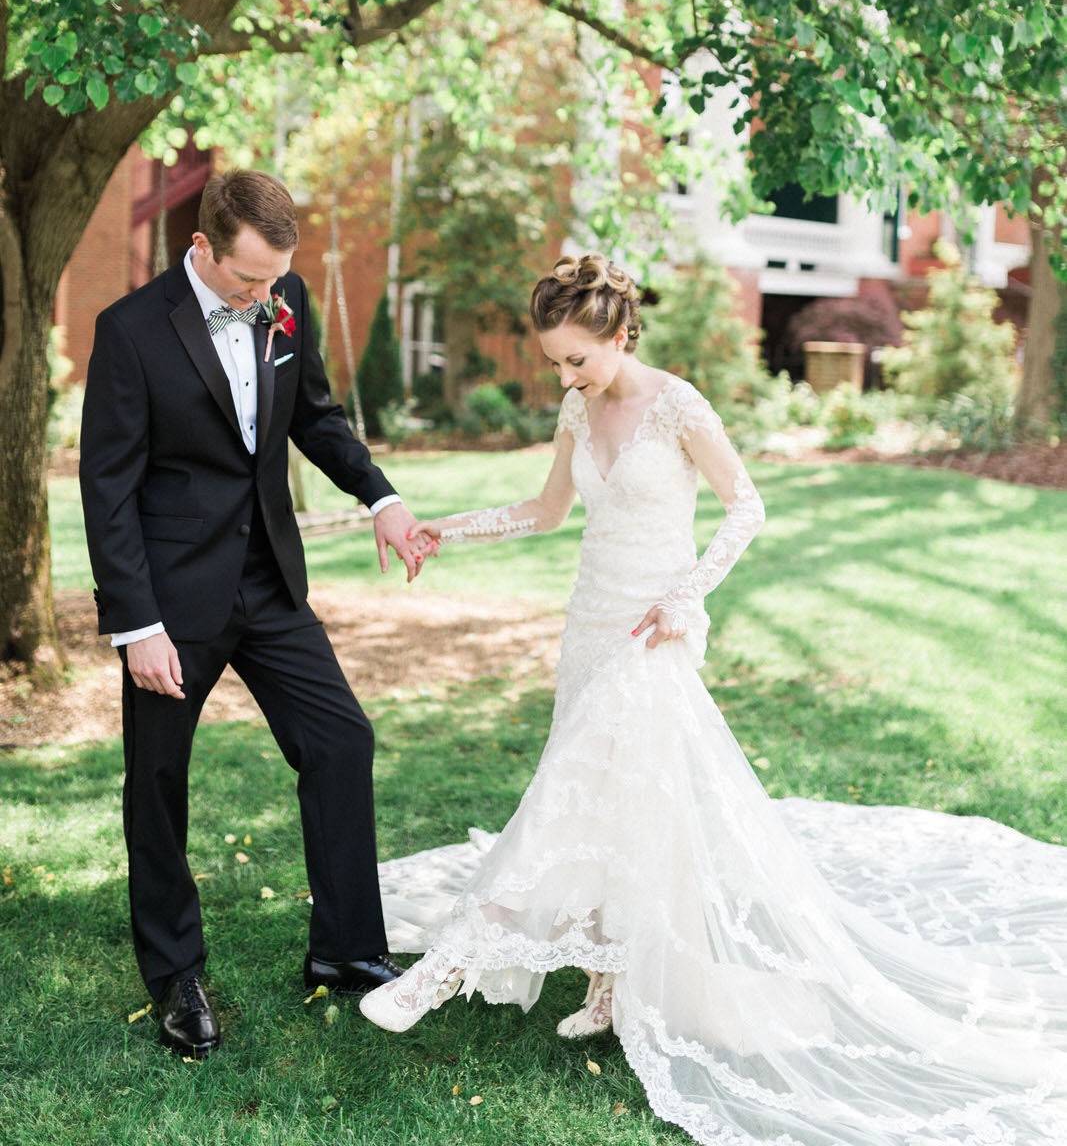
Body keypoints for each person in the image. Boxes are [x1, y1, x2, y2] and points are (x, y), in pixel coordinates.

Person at [360, 254, 1067, 1146]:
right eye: (555, 363)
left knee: (566, 792)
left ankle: (448, 966)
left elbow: (746, 507)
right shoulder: (578, 408)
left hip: (652, 631)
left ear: (620, 334)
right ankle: (612, 981)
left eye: (578, 359)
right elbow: (545, 512)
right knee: (618, 800)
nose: (565, 377)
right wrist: (443, 528)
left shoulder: (678, 405)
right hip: (589, 626)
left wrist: (686, 594)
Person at [80, 170, 423, 1059]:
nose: (264, 296)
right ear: (202, 249)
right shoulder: (128, 331)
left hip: (268, 581)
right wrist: (135, 623)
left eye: (274, 281)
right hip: (172, 599)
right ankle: (175, 975)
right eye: (247, 283)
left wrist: (380, 496)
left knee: (341, 739)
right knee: (157, 784)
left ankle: (346, 952)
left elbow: (313, 412)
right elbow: (107, 487)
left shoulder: (285, 297)